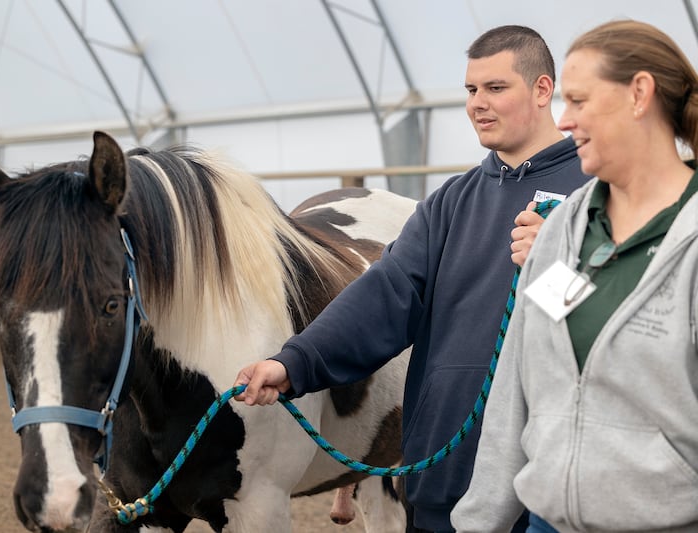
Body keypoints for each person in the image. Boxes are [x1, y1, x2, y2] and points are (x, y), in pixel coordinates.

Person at [233, 25, 591, 532]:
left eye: (495, 88)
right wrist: (294, 364)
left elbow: (614, 323)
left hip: (549, 492)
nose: (477, 104)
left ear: (541, 90)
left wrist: (554, 267)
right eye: (470, 90)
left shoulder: (593, 191)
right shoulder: (450, 203)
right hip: (444, 480)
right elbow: (382, 298)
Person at [451, 19, 698, 533]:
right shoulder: (564, 229)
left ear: (640, 95)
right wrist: (479, 522)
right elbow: (520, 381)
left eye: (580, 101)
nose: (563, 121)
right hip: (549, 521)